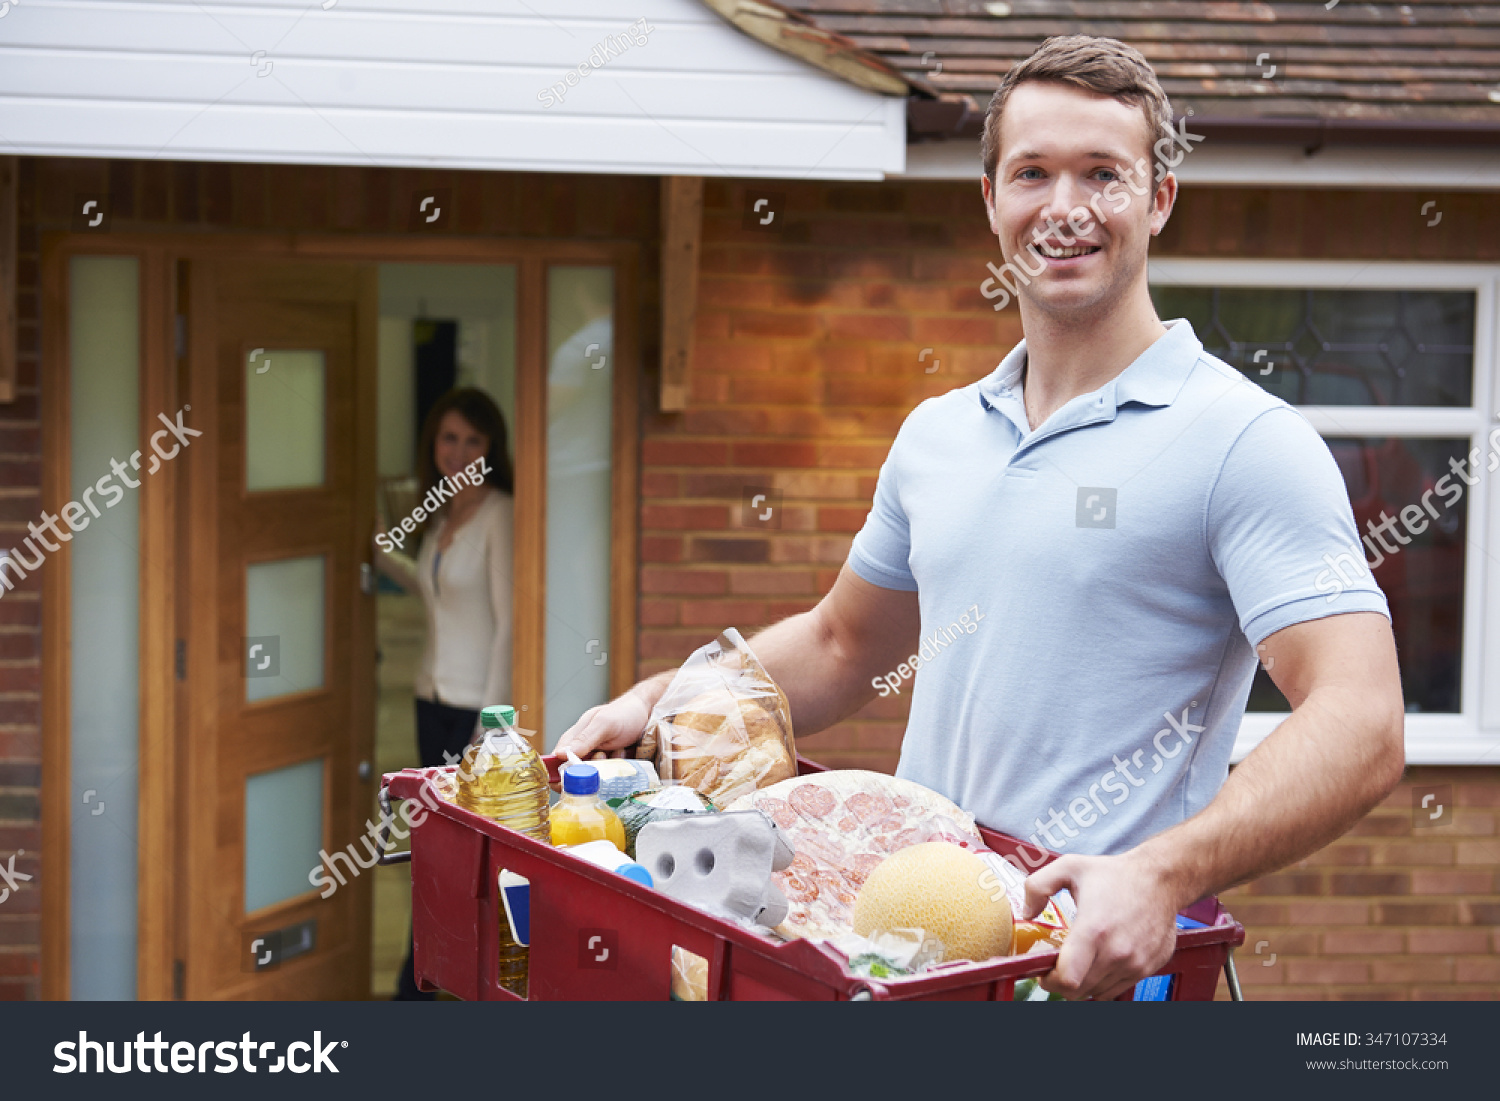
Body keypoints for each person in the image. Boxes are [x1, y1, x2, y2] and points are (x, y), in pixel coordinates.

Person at [556, 35, 1405, 1001]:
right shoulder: (939, 434)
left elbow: (1362, 718)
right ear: (993, 201)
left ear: (1160, 198)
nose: (1066, 208)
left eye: (1104, 174)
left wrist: (1162, 871)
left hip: (1094, 975)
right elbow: (842, 644)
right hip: (912, 959)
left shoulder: (1242, 440)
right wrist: (664, 696)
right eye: (1033, 173)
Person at [375, 387, 515, 1000]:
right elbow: (436, 597)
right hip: (429, 699)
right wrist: (381, 551)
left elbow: (509, 623)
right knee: (429, 856)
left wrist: (487, 726)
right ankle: (425, 980)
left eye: (474, 441)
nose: (459, 452)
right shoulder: (439, 516)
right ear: (433, 444)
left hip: (471, 714)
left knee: (461, 862)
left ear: (491, 451)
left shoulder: (498, 514)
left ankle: (423, 986)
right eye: (449, 438)